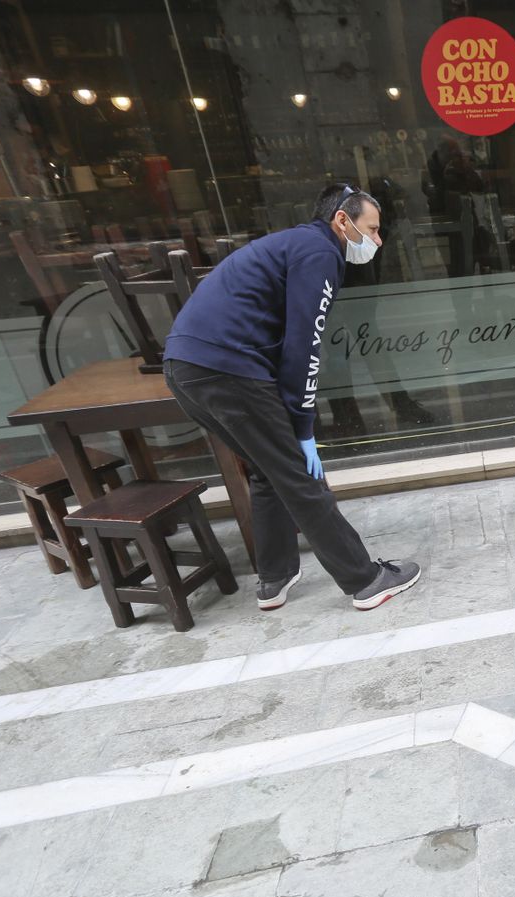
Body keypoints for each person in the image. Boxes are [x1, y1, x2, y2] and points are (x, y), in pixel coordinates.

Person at [163, 183, 422, 612]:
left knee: (268, 470)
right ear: (343, 220)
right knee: (301, 475)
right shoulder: (320, 253)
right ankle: (366, 579)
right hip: (229, 370)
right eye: (373, 230)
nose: (378, 241)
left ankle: (275, 577)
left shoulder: (294, 244)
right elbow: (305, 344)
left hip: (185, 370)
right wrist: (304, 429)